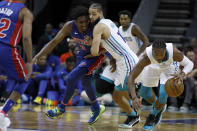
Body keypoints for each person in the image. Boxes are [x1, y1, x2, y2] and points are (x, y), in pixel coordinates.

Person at [33, 6, 105, 125]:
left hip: (94, 56)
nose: (83, 25)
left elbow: (109, 44)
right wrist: (37, 56)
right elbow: (54, 42)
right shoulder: (69, 26)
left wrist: (110, 59)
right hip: (81, 54)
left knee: (71, 78)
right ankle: (97, 108)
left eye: (85, 21)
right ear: (74, 22)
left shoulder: (95, 26)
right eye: (80, 22)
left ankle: (61, 108)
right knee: (85, 82)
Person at [89, 3, 140, 128]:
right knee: (118, 96)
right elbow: (111, 44)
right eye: (89, 14)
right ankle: (133, 113)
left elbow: (94, 52)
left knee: (117, 96)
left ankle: (134, 115)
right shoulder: (109, 22)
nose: (91, 16)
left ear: (101, 13)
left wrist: (91, 42)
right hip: (124, 60)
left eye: (94, 14)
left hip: (126, 61)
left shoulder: (98, 28)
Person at [128, 39, 194, 130]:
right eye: (156, 55)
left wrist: (182, 74)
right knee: (144, 94)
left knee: (163, 94)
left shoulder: (174, 52)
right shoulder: (145, 57)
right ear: (152, 51)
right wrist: (134, 97)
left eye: (161, 55)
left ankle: (153, 115)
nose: (159, 58)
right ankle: (160, 106)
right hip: (152, 65)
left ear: (165, 50)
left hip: (169, 67)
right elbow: (131, 76)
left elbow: (190, 64)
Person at [0, 0, 33, 129]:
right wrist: (29, 61)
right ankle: (2, 112)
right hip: (6, 49)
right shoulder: (24, 12)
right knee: (25, 78)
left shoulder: (1, 3)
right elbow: (26, 38)